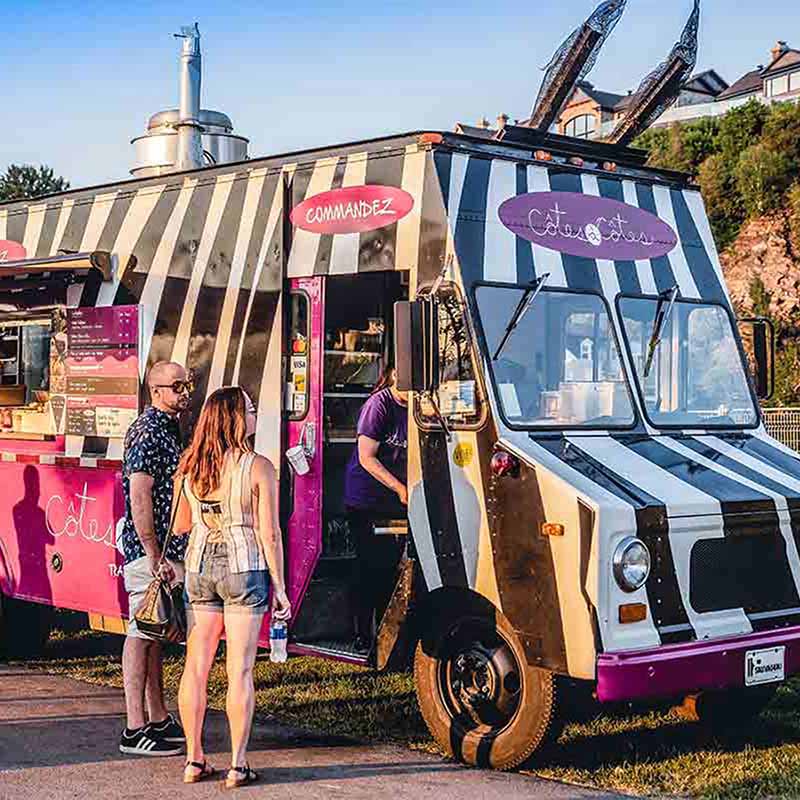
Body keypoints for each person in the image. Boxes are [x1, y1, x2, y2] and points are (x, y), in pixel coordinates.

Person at [174, 386, 291, 788]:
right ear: (235, 418)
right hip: (246, 568)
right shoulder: (258, 466)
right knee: (239, 670)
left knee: (196, 667)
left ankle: (194, 760)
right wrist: (280, 586)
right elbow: (269, 532)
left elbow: (181, 526)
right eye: (251, 410)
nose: (256, 416)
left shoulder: (190, 465)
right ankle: (238, 766)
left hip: (200, 566)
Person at [119, 361, 192, 756]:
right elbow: (139, 495)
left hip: (165, 551)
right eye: (176, 385)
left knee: (154, 635)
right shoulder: (148, 431)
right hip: (150, 553)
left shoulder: (167, 427)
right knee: (140, 631)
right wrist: (152, 553)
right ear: (156, 390)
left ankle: (158, 717)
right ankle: (134, 729)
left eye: (187, 384)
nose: (184, 391)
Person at [343, 366, 408, 652]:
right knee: (369, 566)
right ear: (395, 375)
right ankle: (362, 635)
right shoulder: (379, 405)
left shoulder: (421, 405)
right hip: (367, 497)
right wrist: (399, 487)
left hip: (398, 496)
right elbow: (366, 457)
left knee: (392, 566)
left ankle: (387, 635)